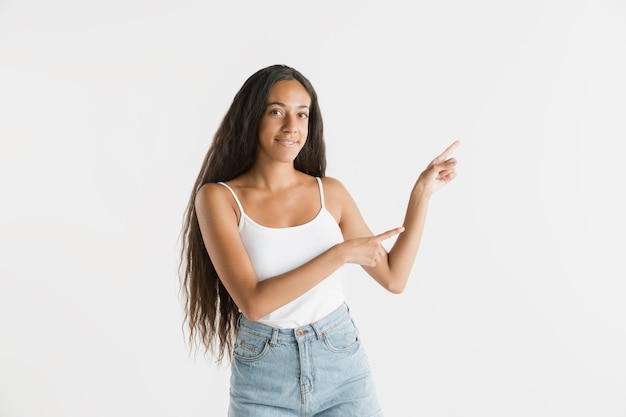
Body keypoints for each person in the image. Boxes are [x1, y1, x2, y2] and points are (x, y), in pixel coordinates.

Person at [179, 64, 460, 416]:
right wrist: (339, 254)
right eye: (276, 111)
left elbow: (394, 277)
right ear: (252, 117)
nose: (291, 127)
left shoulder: (331, 193)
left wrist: (421, 192)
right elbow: (254, 303)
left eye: (302, 114)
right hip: (265, 375)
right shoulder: (219, 198)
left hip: (341, 363)